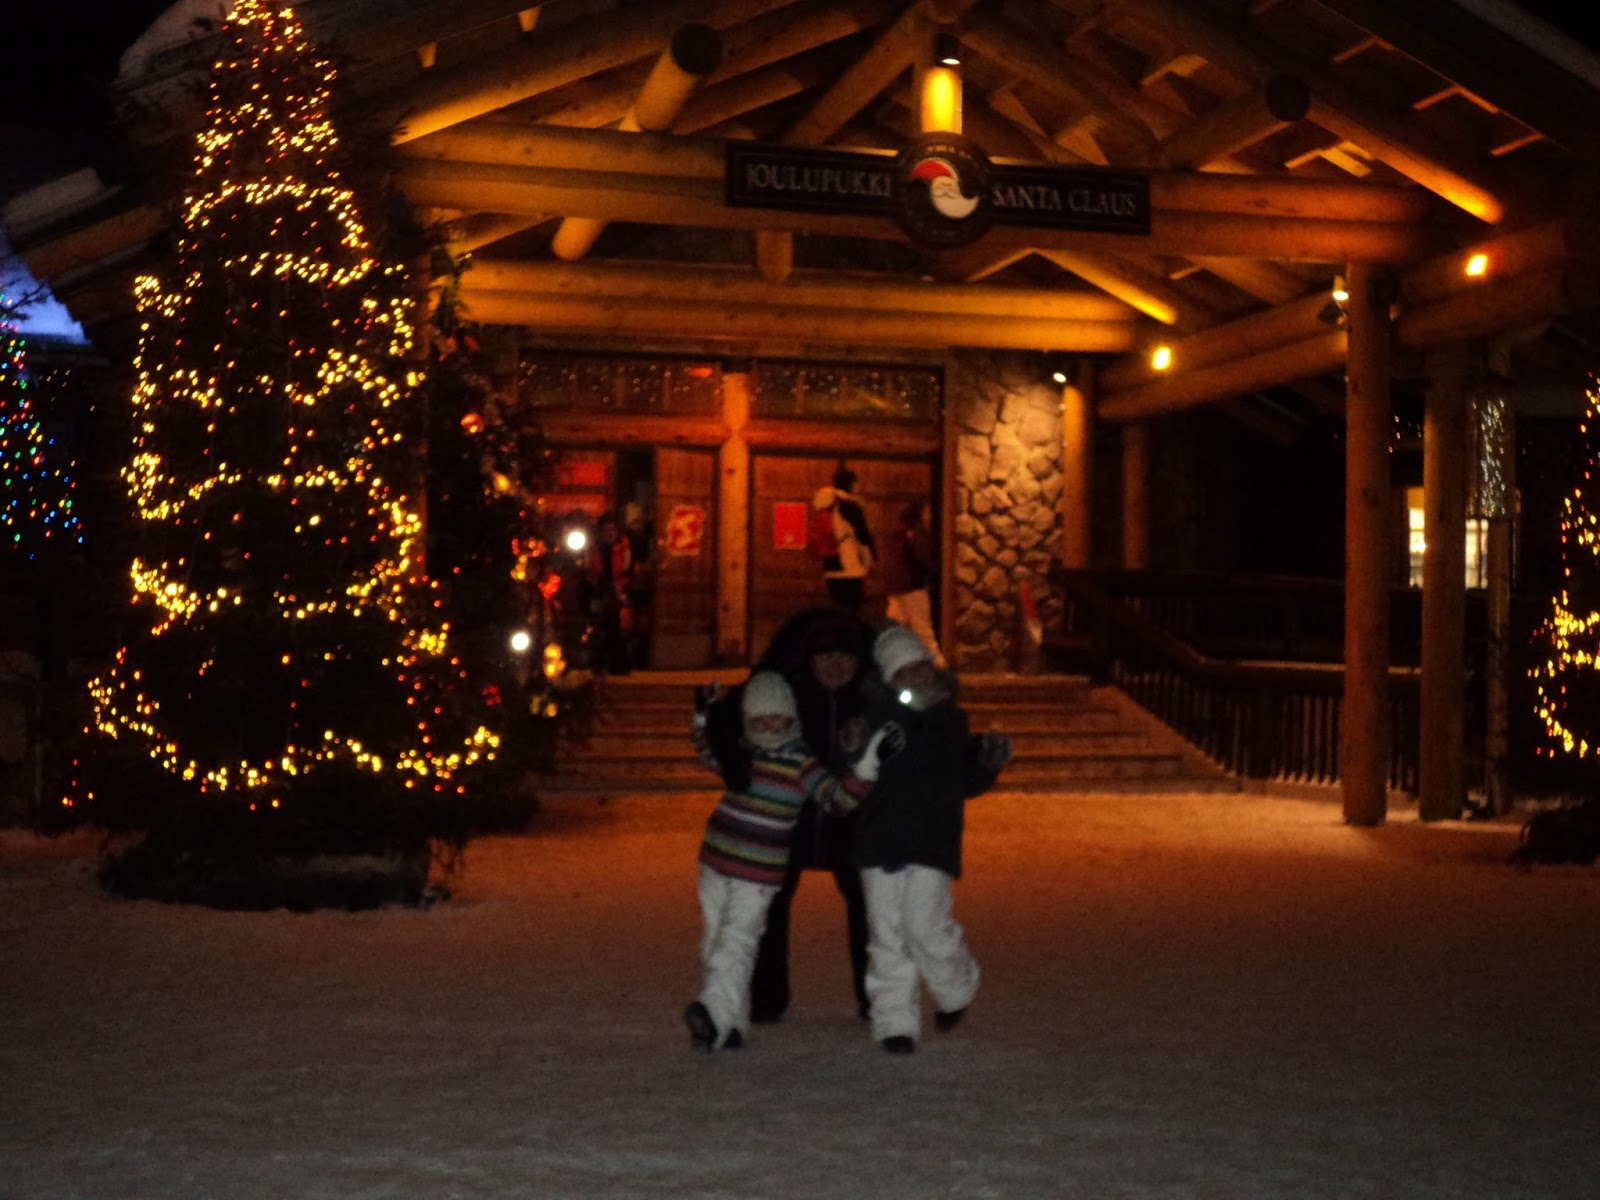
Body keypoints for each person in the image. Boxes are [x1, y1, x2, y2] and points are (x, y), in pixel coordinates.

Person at [683, 671, 889, 1053]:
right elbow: (706, 751)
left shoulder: (800, 763)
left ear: (792, 717)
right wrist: (703, 715)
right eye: (759, 721)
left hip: (759, 872)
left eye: (777, 718)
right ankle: (728, 1024)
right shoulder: (741, 756)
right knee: (715, 941)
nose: (769, 727)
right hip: (715, 859)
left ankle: (710, 1014)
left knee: (736, 942)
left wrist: (865, 770)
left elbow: (836, 800)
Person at [855, 623, 1013, 1054]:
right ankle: (894, 1022)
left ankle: (956, 987)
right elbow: (855, 772)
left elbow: (964, 780)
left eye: (920, 668)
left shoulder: (950, 720)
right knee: (887, 933)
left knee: (925, 923)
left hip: (931, 839)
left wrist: (986, 762)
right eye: (904, 673)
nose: (916, 679)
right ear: (890, 680)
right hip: (880, 839)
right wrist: (862, 749)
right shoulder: (874, 720)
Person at [746, 606, 879, 1023]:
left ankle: (875, 997)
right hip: (790, 822)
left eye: (846, 656)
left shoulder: (873, 704)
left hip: (852, 822)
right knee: (769, 906)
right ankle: (766, 999)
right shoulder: (787, 700)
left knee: (870, 909)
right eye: (826, 656)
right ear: (809, 659)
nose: (836, 665)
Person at [882, 499, 945, 668]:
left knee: (896, 627)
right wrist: (934, 573)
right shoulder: (917, 535)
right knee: (923, 629)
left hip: (896, 587)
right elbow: (924, 560)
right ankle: (938, 667)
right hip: (913, 587)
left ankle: (893, 663)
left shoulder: (899, 535)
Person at [813, 463, 875, 614]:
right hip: (849, 566)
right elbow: (863, 535)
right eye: (856, 482)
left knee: (837, 609)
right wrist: (870, 556)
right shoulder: (849, 506)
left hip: (831, 566)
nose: (859, 486)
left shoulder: (829, 505)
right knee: (852, 610)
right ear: (850, 484)